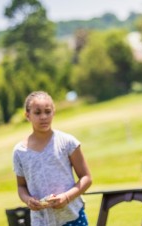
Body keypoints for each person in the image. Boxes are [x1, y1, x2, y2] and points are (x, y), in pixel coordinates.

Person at [13, 91, 92, 226]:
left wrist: (66, 198)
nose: (43, 117)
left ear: (53, 112)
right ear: (27, 115)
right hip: (41, 221)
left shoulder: (67, 142)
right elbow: (21, 186)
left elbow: (86, 178)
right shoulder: (20, 152)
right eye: (37, 113)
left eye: (47, 112)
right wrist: (28, 200)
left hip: (72, 217)